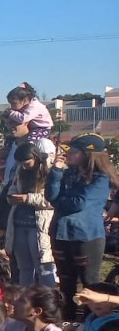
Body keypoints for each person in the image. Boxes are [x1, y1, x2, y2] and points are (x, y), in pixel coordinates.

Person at [47, 133, 118, 320]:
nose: (68, 153)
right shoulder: (66, 172)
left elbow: (79, 203)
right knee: (66, 281)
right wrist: (56, 171)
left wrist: (59, 201)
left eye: (74, 150)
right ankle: (68, 319)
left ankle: (88, 321)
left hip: (86, 236)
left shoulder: (100, 177)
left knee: (89, 283)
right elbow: (50, 196)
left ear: (88, 154)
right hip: (61, 233)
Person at [5, 143, 56, 286]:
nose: (24, 166)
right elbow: (13, 186)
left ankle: (49, 300)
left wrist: (28, 198)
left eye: (27, 163)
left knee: (43, 266)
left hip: (39, 225)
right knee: (24, 268)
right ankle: (26, 301)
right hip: (19, 222)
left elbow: (53, 199)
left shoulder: (50, 171)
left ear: (35, 156)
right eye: (21, 164)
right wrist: (11, 195)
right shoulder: (20, 171)